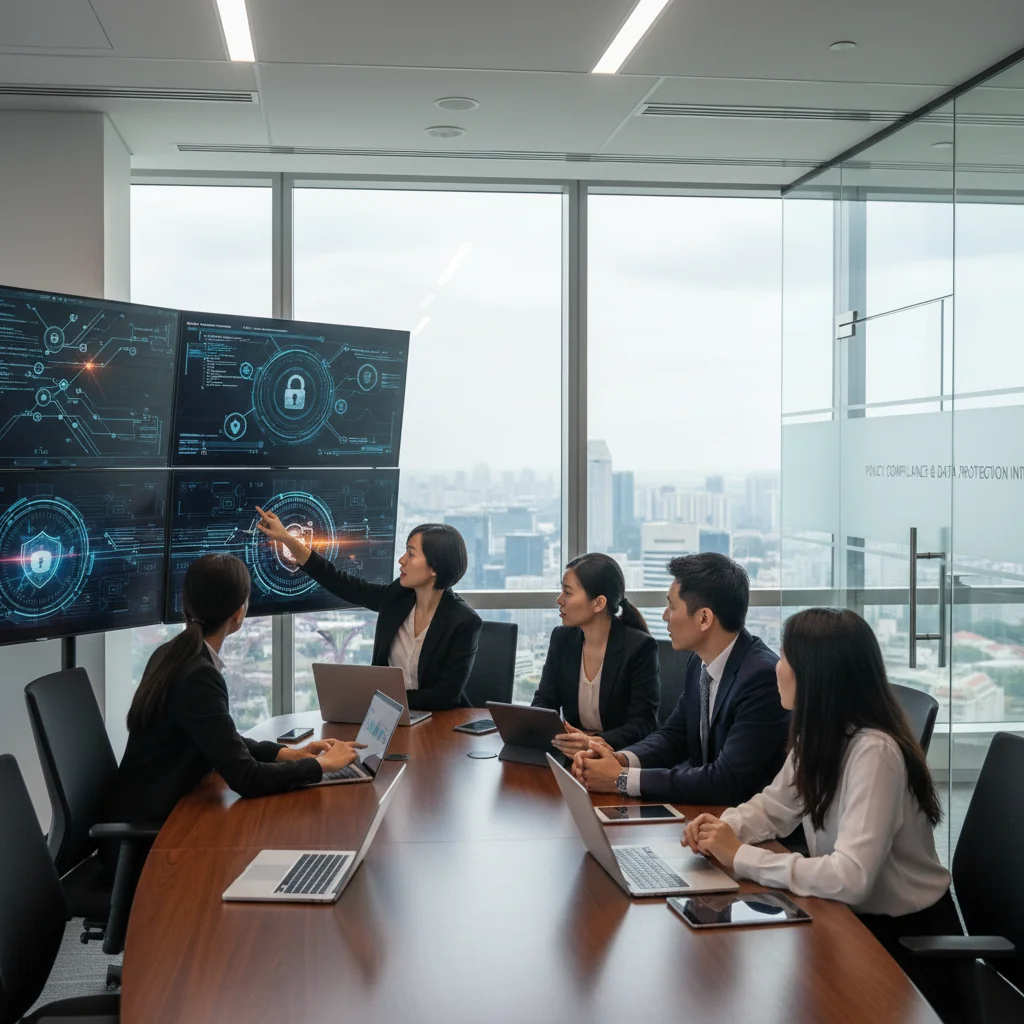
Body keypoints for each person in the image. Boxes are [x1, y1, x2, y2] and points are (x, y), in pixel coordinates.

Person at [683, 608, 960, 1021]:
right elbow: (775, 806)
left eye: (785, 658)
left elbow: (850, 879)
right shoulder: (822, 732)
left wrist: (741, 856)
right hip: (847, 922)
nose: (777, 668)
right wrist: (725, 829)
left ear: (816, 674)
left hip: (902, 945)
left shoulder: (874, 752)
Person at [102, 554, 361, 870]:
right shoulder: (197, 674)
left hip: (149, 814)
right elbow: (246, 778)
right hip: (150, 843)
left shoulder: (172, 654)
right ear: (239, 613)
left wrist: (290, 755)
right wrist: (321, 766)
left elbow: (219, 739)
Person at [573, 553, 788, 804]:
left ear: (704, 618)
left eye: (672, 606)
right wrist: (618, 760)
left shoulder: (760, 678)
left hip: (745, 825)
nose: (665, 616)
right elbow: (673, 737)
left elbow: (726, 780)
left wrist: (622, 778)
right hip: (703, 812)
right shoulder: (699, 661)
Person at [257, 510, 482, 710]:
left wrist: (380, 699)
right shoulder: (397, 597)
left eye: (411, 554)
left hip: (440, 725)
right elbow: (342, 583)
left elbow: (445, 696)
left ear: (435, 567)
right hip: (388, 715)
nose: (401, 561)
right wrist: (286, 539)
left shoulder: (464, 622)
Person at [531, 553, 659, 756]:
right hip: (571, 754)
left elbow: (643, 724)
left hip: (616, 756)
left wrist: (592, 742)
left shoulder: (640, 647)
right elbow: (545, 701)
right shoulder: (561, 638)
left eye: (568, 592)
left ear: (599, 603)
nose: (559, 600)